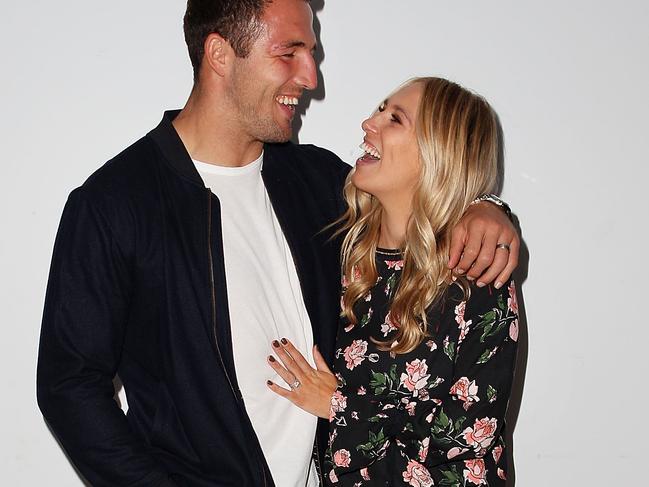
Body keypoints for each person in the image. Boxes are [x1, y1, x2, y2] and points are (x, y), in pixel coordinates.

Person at [36, 0, 519, 485]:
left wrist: (488, 209)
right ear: (221, 55)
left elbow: (421, 202)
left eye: (310, 52)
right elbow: (69, 386)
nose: (311, 76)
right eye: (289, 53)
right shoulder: (115, 204)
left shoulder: (317, 182)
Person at [266, 77, 519, 486]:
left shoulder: (476, 275)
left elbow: (466, 447)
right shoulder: (339, 249)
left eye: (394, 119)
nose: (369, 122)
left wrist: (338, 407)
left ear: (437, 153)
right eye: (379, 109)